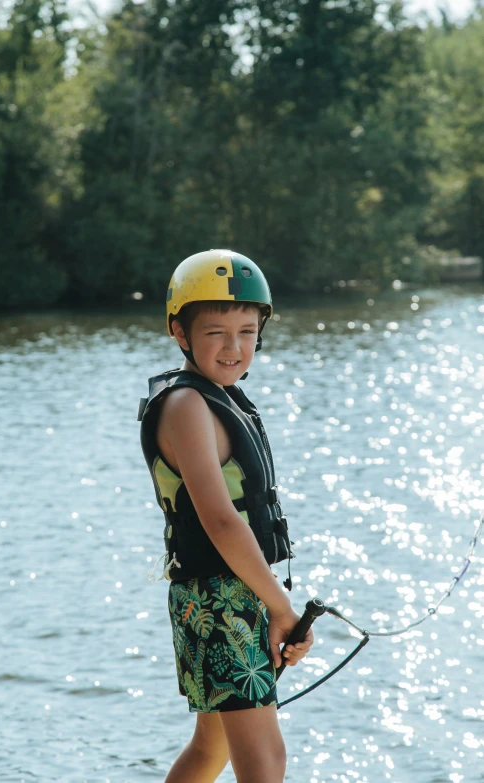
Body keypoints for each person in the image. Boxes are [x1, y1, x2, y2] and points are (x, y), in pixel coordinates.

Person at [138, 249, 314, 783]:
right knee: (265, 762)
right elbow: (220, 521)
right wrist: (281, 609)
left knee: (210, 750)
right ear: (179, 331)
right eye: (216, 332)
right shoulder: (187, 405)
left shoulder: (221, 398)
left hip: (234, 592)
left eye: (247, 331)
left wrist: (271, 605)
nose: (235, 347)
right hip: (220, 598)